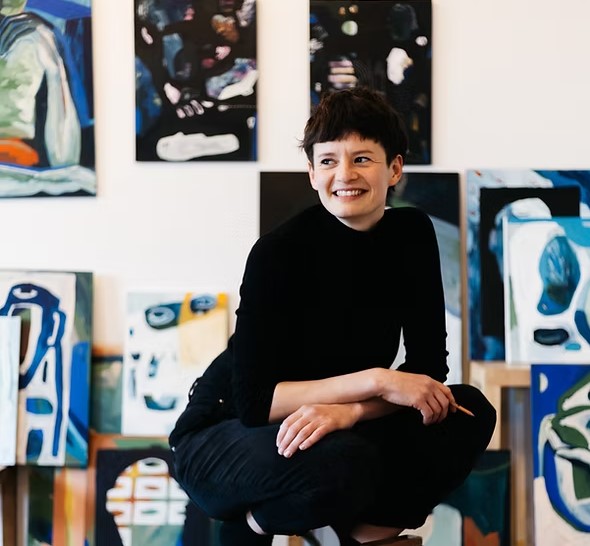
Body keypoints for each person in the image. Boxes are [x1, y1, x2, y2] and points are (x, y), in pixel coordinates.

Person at [169, 86, 496, 546]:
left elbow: (427, 373)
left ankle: (361, 534)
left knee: (466, 411)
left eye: (362, 158)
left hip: (330, 427)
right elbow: (256, 402)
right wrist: (378, 381)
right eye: (327, 161)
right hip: (224, 433)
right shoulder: (277, 253)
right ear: (311, 173)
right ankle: (254, 522)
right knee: (345, 460)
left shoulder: (412, 236)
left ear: (394, 168)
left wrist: (351, 412)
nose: (344, 174)